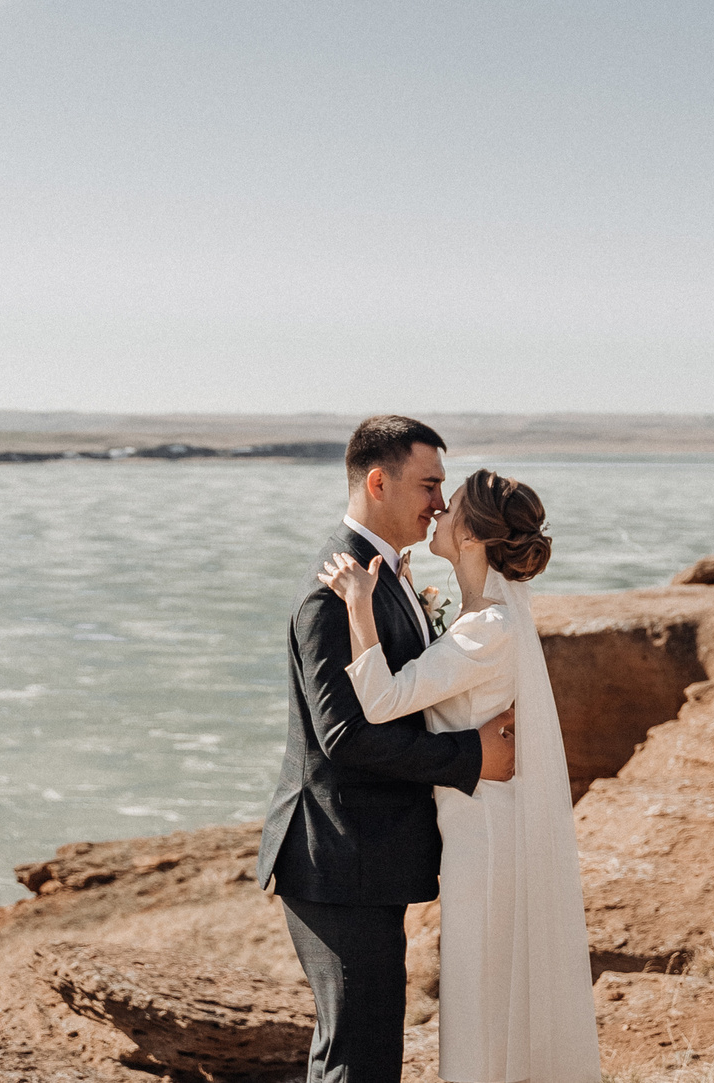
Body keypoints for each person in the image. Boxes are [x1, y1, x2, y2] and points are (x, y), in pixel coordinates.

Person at [318, 466, 602, 1083]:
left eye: (452, 509)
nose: (439, 511)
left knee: (478, 992)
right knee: (485, 983)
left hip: (487, 835)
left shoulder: (488, 628)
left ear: (473, 538)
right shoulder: (480, 618)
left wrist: (360, 607)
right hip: (476, 825)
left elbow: (384, 703)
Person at [259, 417, 518, 1083]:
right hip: (337, 855)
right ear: (379, 480)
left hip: (366, 856)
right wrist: (470, 757)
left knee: (363, 1049)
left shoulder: (388, 577)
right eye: (429, 483)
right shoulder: (332, 592)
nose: (440, 499)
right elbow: (343, 735)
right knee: (359, 1056)